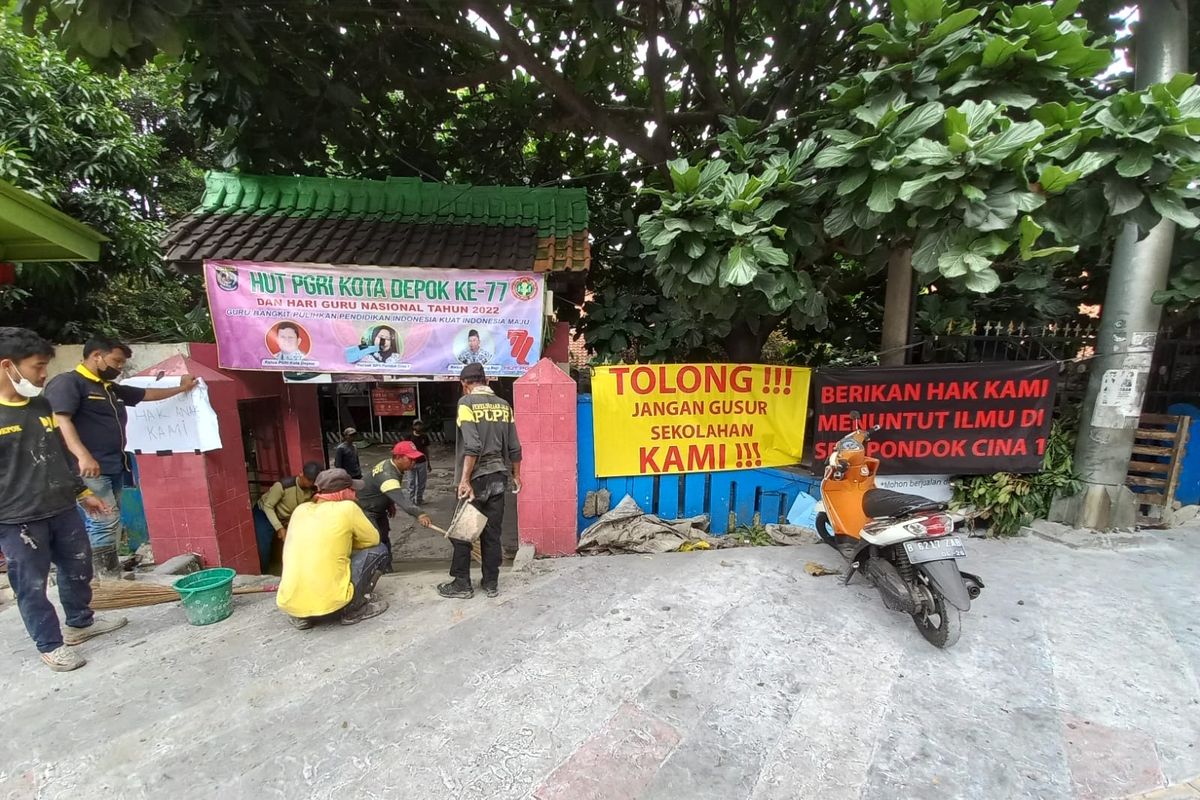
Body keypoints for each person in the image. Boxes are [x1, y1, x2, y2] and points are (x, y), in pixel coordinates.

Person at [0, 327, 127, 672]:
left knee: (77, 567)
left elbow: (57, 455)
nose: (43, 375)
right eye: (37, 367)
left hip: (61, 507)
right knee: (32, 583)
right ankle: (50, 644)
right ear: (7, 366)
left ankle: (80, 623)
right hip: (18, 519)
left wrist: (82, 492)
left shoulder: (41, 405)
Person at [44, 335, 197, 575]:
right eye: (116, 361)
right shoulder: (69, 383)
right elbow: (61, 419)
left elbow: (144, 395)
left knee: (108, 521)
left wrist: (182, 387)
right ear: (97, 356)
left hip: (113, 465)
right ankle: (105, 579)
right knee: (103, 520)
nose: (119, 368)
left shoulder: (107, 388)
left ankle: (103, 571)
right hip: (88, 469)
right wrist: (83, 456)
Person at [439, 362, 522, 600]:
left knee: (463, 533)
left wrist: (465, 480)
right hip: (499, 477)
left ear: (464, 384)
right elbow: (515, 447)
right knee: (491, 533)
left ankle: (462, 584)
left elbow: (473, 445)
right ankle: (491, 583)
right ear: (486, 381)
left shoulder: (466, 403)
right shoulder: (504, 406)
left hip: (476, 479)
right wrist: (516, 475)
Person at [276, 468, 391, 629]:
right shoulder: (347, 508)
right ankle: (354, 609)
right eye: (352, 490)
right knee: (379, 550)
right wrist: (347, 541)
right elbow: (373, 540)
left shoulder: (299, 510)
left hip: (290, 603)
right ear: (342, 493)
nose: (355, 495)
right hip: (333, 601)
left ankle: (301, 616)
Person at [356, 441, 433, 567]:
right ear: (398, 457)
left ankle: (386, 567)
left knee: (384, 537)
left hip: (376, 508)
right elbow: (402, 500)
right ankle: (376, 570)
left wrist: (389, 503)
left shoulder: (390, 465)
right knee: (376, 540)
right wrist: (420, 514)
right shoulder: (388, 475)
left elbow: (387, 490)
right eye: (410, 459)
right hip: (366, 510)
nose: (414, 463)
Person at [252, 461, 321, 573]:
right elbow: (268, 506)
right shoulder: (283, 486)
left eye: (313, 481)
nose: (310, 484)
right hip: (264, 512)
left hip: (287, 516)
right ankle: (264, 574)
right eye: (308, 480)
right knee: (263, 545)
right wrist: (279, 528)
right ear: (301, 474)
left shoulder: (313, 489)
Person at [407, 420, 431, 506]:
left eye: (420, 425)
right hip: (411, 462)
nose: (418, 427)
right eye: (416, 425)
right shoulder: (409, 437)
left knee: (422, 482)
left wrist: (428, 463)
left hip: (422, 462)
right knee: (411, 482)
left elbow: (426, 450)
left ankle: (419, 499)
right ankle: (411, 501)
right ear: (413, 426)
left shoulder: (424, 437)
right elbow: (405, 449)